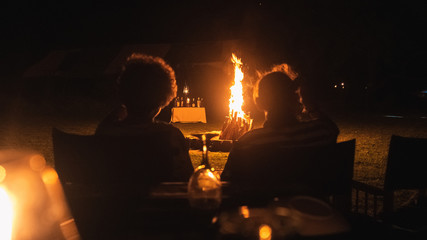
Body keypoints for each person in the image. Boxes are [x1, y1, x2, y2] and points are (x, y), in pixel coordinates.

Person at [221, 63, 339, 180]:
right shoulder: (320, 132)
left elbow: (227, 180)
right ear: (297, 99)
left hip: (264, 198)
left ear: (260, 103)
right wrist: (311, 106)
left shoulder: (248, 142)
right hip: (306, 198)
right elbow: (331, 128)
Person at [96, 53, 194, 181]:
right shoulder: (170, 135)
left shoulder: (106, 131)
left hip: (115, 199)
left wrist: (123, 105)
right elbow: (188, 178)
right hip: (161, 199)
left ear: (122, 91)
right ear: (162, 99)